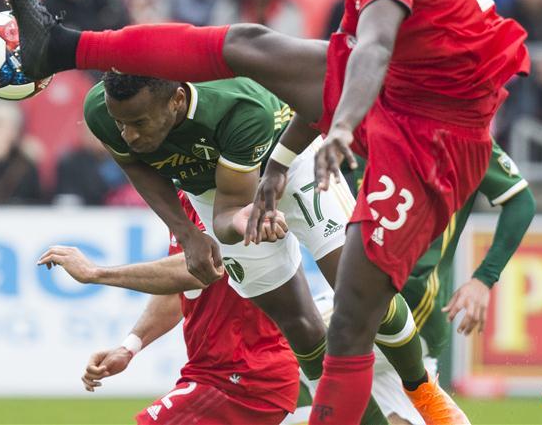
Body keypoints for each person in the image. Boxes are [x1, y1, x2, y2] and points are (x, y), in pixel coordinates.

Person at [8, 0, 529, 425]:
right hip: (406, 102)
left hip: (430, 124)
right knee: (327, 321)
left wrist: (343, 128)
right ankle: (62, 47)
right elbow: (331, 79)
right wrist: (277, 167)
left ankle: (423, 395)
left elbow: (372, 52)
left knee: (359, 313)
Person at [82, 72, 428, 424]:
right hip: (215, 194)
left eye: (138, 122)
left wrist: (96, 273)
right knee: (300, 325)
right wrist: (188, 233)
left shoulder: (240, 108)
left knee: (361, 294)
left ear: (177, 100)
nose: (128, 134)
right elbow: (136, 167)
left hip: (292, 164)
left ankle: (425, 393)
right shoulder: (102, 108)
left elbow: (234, 200)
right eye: (120, 123)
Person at [288, 141, 534, 425]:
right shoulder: (370, 123)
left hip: (413, 302)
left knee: (287, 347)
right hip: (365, 297)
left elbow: (521, 200)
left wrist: (484, 279)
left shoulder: (463, 135)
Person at [37, 194, 300, 424]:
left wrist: (95, 273)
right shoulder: (186, 199)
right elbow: (180, 290)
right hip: (221, 371)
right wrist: (130, 346)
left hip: (244, 375)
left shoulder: (227, 196)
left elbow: (199, 270)